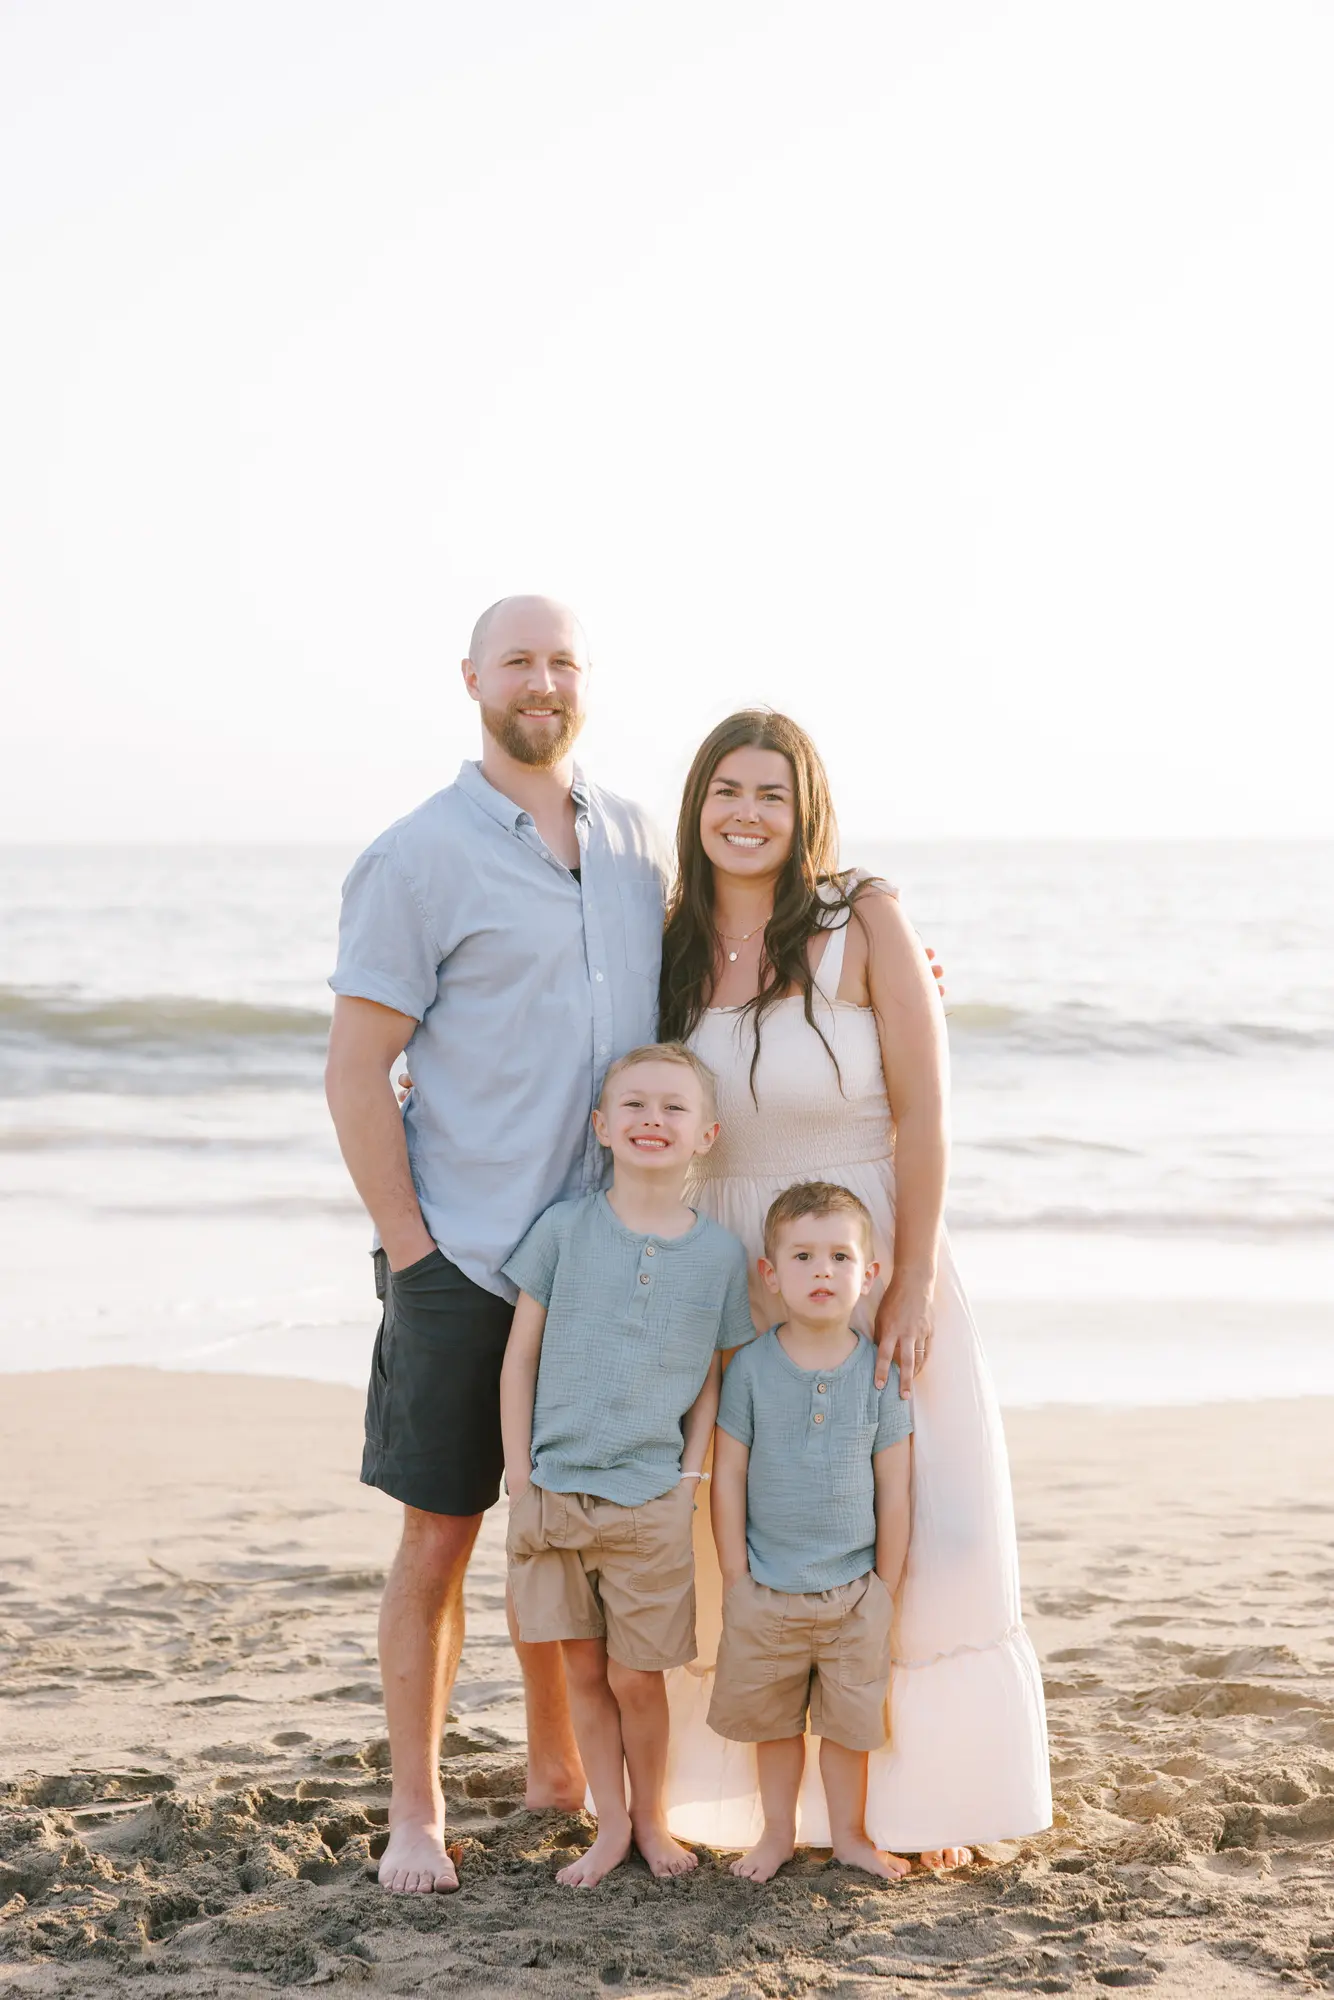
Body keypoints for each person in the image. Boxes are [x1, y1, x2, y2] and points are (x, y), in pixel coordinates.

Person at [659, 709, 1052, 1866]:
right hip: (729, 1264)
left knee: (929, 1524)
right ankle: (768, 1810)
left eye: (770, 793)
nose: (744, 812)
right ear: (696, 807)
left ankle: (930, 1801)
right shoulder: (671, 940)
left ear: (805, 810)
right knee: (751, 1530)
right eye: (723, 789)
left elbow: (926, 1108)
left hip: (863, 1245)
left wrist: (912, 1271)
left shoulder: (860, 917)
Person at [324, 596, 669, 1894]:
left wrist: (878, 970)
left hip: (607, 1266)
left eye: (562, 658)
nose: (542, 678)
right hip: (464, 1259)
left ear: (587, 680)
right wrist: (409, 1251)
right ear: (471, 678)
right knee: (441, 1538)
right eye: (517, 659)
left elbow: (721, 978)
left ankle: (554, 1776)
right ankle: (415, 1812)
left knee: (571, 1533)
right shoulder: (415, 857)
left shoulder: (639, 842)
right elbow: (359, 1071)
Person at [499, 1043, 754, 1887]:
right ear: (601, 1125)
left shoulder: (718, 1257)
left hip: (651, 1497)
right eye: (634, 1106)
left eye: (674, 1108)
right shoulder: (565, 1229)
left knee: (638, 1676)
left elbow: (715, 1379)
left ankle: (654, 1821)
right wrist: (519, 1477)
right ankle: (609, 1828)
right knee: (580, 1668)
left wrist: (689, 1477)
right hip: (553, 1490)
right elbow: (519, 1360)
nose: (653, 1120)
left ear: (706, 1134)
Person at [709, 1181, 913, 1884]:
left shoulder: (879, 1375)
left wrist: (886, 1585)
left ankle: (851, 1836)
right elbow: (728, 1475)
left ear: (869, 1274)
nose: (821, 1271)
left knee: (849, 1726)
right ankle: (775, 1835)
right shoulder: (753, 1370)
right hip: (767, 1587)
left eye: (838, 1256)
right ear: (771, 1274)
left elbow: (896, 1485)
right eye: (801, 1256)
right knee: (774, 1724)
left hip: (855, 1592)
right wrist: (734, 1576)